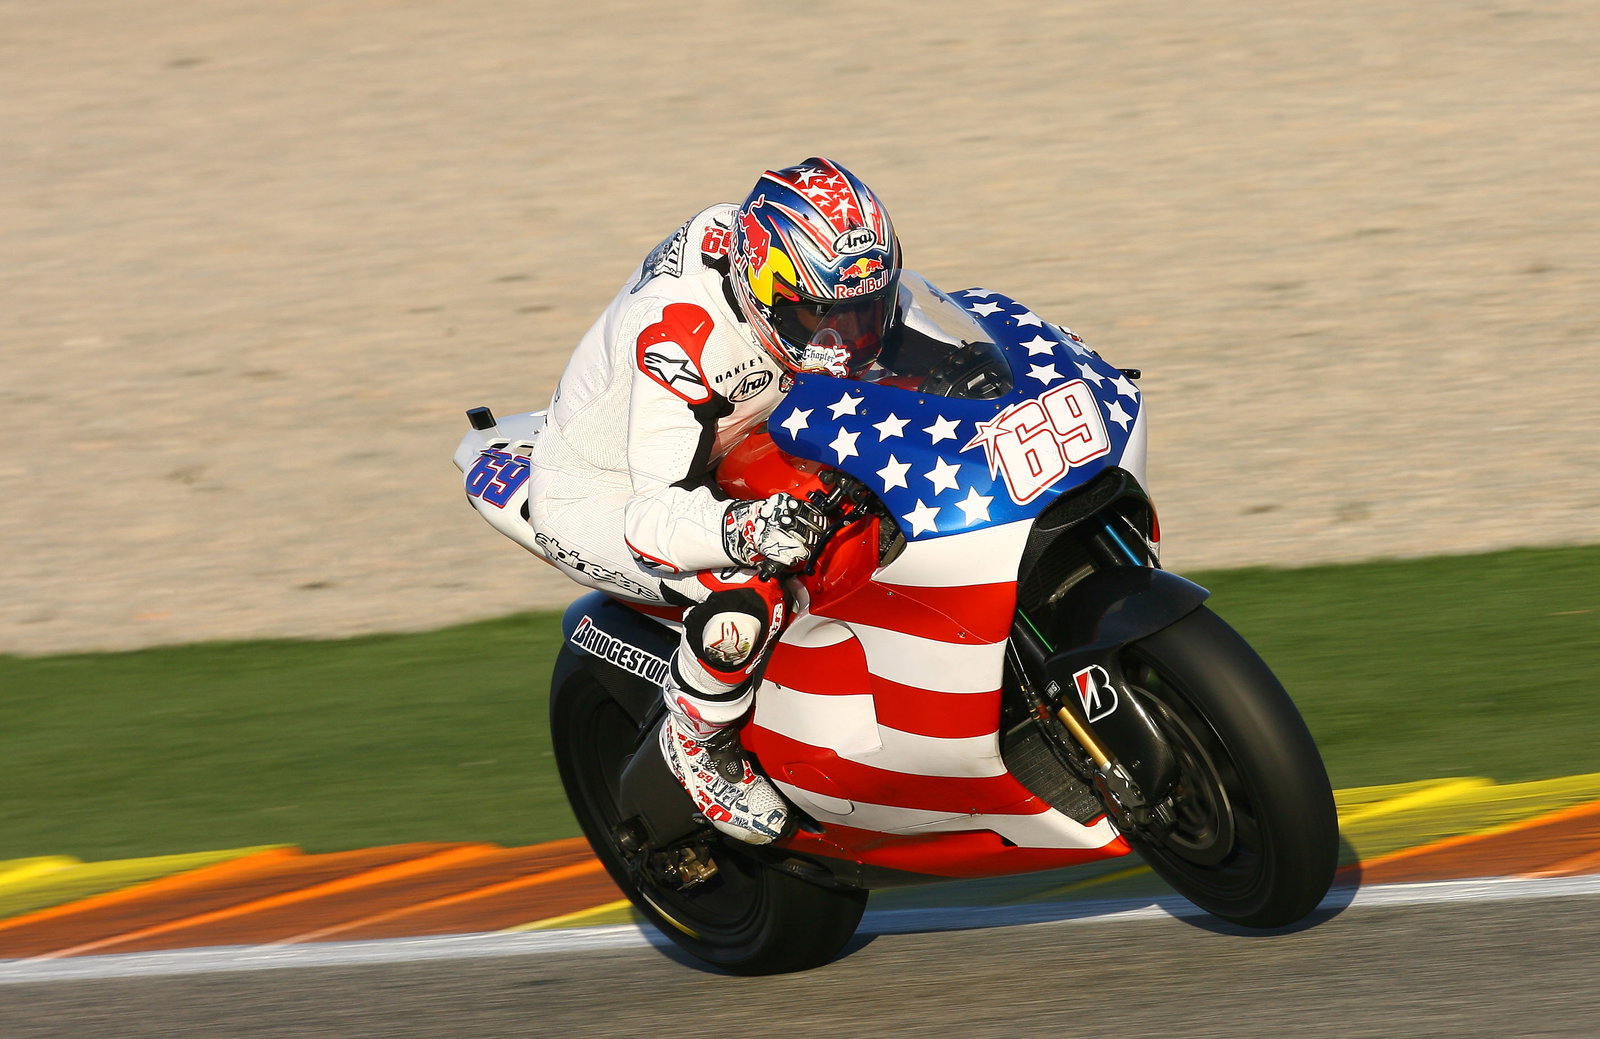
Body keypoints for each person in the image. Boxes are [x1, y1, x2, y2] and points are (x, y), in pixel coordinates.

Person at [522, 159, 902, 844]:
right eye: (820, 316)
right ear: (763, 289)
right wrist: (744, 527)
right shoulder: (679, 338)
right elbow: (652, 519)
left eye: (861, 313)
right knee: (748, 593)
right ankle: (696, 742)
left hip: (727, 439)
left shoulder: (804, 258)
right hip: (606, 490)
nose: (841, 338)